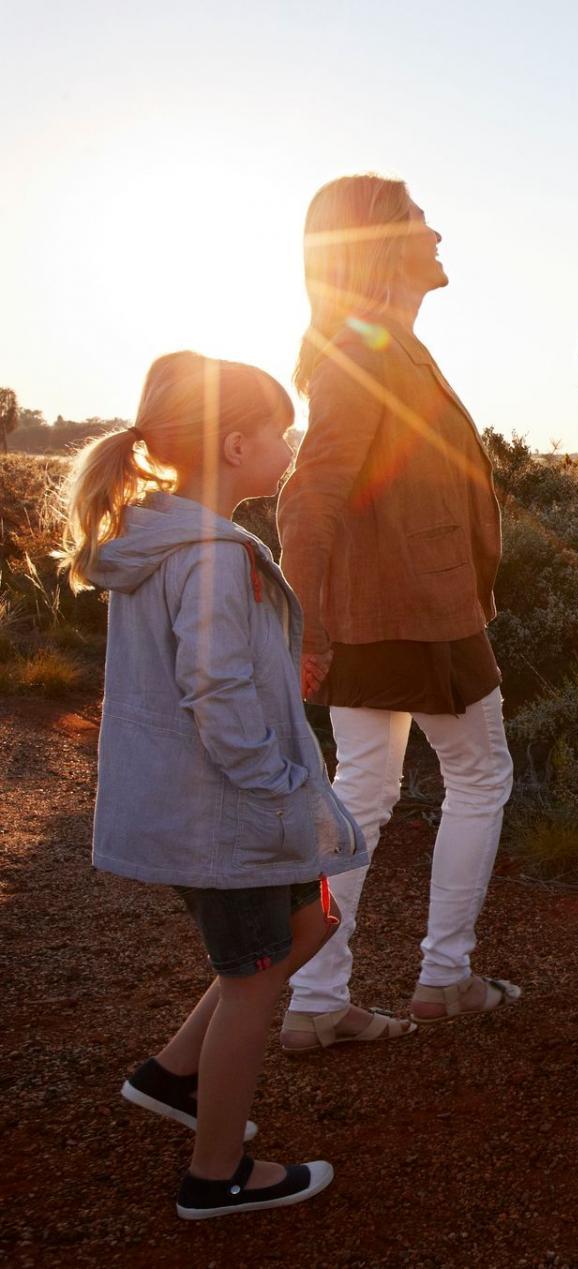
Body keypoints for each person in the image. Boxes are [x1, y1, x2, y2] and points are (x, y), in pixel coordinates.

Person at [67, 352, 367, 1218]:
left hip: (212, 806)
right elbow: (217, 690)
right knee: (255, 977)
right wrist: (275, 786)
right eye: (279, 432)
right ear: (237, 444)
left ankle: (174, 1074)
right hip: (226, 812)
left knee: (309, 921)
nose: (290, 445)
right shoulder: (209, 554)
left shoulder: (166, 538)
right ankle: (217, 1174)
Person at [276, 174, 517, 1050]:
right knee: (481, 775)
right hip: (418, 611)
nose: (436, 231)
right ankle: (444, 977)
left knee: (364, 794)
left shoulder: (376, 343)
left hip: (380, 611)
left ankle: (315, 999)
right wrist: (307, 624)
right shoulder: (368, 350)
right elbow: (309, 499)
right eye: (419, 218)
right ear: (381, 243)